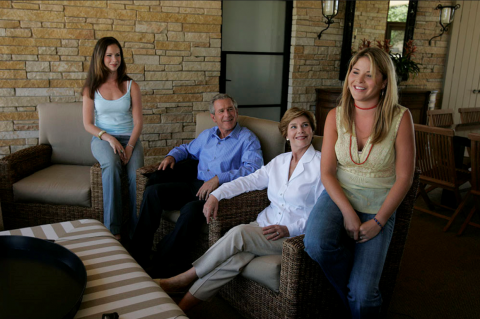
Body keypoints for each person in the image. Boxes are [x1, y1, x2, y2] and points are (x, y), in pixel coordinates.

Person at [156, 107, 325, 312]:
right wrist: (217, 194)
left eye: (305, 125)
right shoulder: (280, 162)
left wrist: (291, 229)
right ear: (286, 134)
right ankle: (181, 309)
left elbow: (323, 215)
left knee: (238, 233)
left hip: (290, 236)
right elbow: (248, 181)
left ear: (313, 130)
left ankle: (185, 278)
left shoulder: (321, 165)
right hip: (264, 225)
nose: (300, 131)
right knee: (234, 261)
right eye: (294, 126)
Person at [303, 47, 415, 319]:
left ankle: (359, 296)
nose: (359, 81)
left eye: (370, 75)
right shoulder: (335, 115)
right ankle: (352, 289)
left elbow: (405, 178)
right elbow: (327, 172)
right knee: (315, 243)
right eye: (355, 72)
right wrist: (348, 213)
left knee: (365, 296)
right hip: (339, 195)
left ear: (384, 82)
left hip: (380, 204)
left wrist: (378, 221)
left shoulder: (401, 118)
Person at [130, 93, 264, 277]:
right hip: (195, 185)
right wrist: (171, 156)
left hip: (220, 193)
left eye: (230, 109)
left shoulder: (247, 139)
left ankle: (160, 260)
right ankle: (138, 253)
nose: (227, 115)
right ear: (213, 117)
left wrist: (219, 178)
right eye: (221, 111)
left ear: (236, 111)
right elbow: (186, 149)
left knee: (190, 211)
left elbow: (254, 170)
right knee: (153, 192)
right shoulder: (207, 135)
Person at [82, 37, 144, 240]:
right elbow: (88, 124)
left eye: (117, 55)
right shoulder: (91, 88)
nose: (114, 59)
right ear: (100, 57)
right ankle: (113, 230)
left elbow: (138, 123)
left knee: (137, 176)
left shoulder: (131, 85)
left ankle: (137, 233)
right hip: (102, 139)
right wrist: (109, 138)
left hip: (130, 138)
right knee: (111, 164)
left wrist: (130, 147)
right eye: (109, 55)